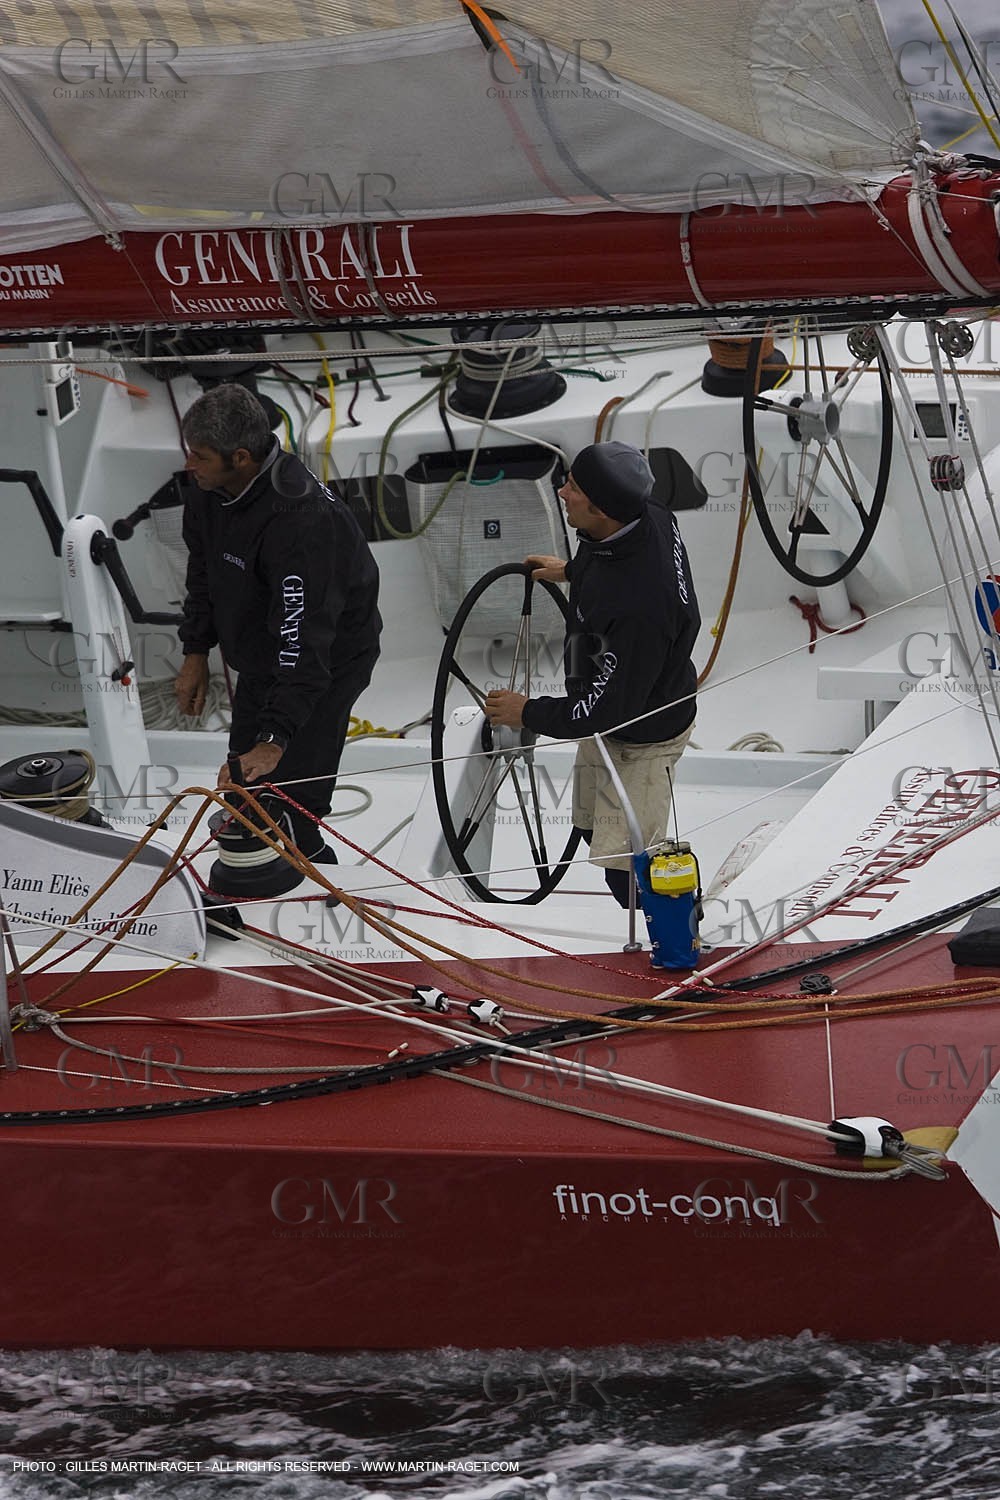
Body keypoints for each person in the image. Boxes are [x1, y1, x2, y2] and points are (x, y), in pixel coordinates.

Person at [485, 441, 700, 905]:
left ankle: (682, 935)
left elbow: (603, 712)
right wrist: (573, 571)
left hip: (641, 739)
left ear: (600, 509)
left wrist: (527, 712)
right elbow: (612, 556)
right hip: (614, 709)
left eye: (573, 488)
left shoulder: (638, 607)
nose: (561, 492)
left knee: (629, 875)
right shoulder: (650, 514)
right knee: (589, 827)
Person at [173, 383, 381, 860]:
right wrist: (195, 651)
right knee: (245, 799)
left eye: (200, 456)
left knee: (291, 810)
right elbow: (203, 570)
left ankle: (315, 874)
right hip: (263, 655)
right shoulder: (208, 489)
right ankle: (260, 872)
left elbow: (304, 641)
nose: (190, 464)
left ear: (241, 457)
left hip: (325, 662)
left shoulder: (302, 521)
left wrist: (274, 738)